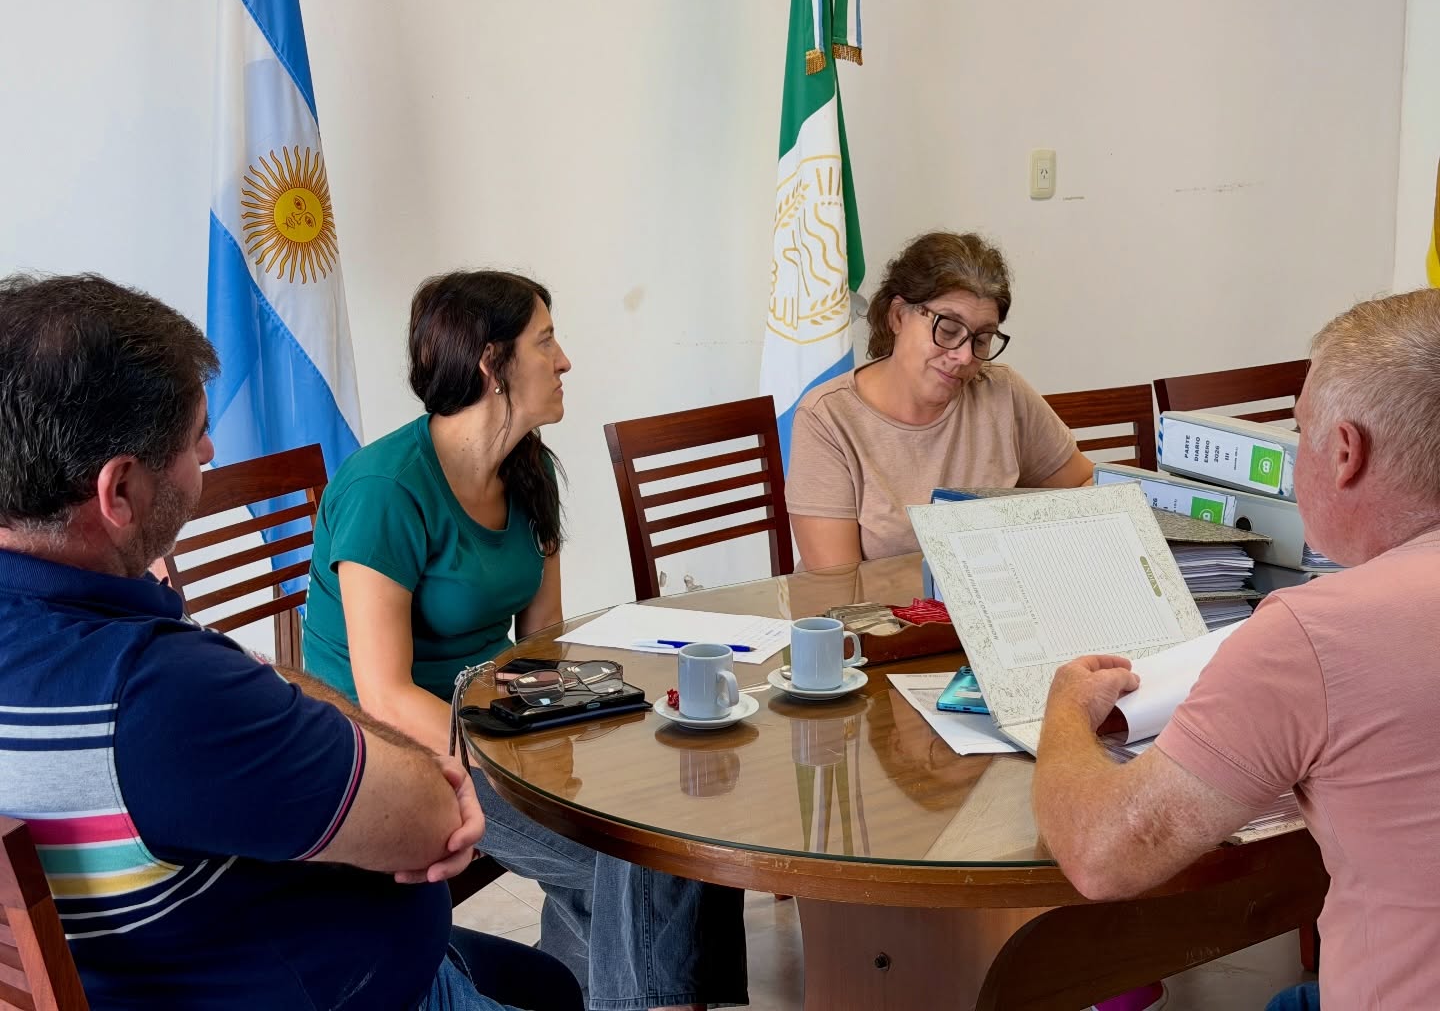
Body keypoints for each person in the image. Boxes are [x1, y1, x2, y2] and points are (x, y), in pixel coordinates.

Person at [0, 273, 583, 1011]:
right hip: (338, 986)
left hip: (186, 954)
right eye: (192, 437)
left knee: (552, 985)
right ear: (118, 492)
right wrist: (246, 679)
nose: (210, 448)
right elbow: (434, 816)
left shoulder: (121, 663)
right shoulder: (161, 693)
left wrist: (243, 673)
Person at [302, 270, 748, 1011]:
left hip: (497, 722)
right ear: (492, 363)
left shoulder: (530, 467)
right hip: (393, 751)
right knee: (638, 850)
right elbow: (383, 695)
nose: (564, 360)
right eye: (546, 342)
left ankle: (586, 990)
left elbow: (541, 643)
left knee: (683, 796)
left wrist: (588, 719)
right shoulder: (385, 490)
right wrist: (516, 755)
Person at [1033, 288, 1440, 1011]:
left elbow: (1103, 855)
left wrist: (1064, 710)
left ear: (1346, 453)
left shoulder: (1319, 634)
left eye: (1301, 431)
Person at [786, 231, 1093, 569]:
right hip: (878, 604)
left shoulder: (1002, 391)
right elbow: (837, 584)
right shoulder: (827, 418)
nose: (965, 356)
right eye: (947, 329)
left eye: (982, 338)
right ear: (898, 316)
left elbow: (1087, 485)